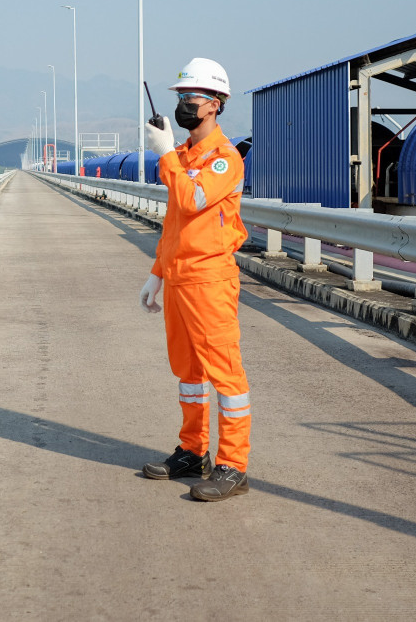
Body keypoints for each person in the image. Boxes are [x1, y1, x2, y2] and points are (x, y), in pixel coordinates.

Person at [139, 57, 251, 501]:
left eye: (193, 97)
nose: (185, 104)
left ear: (216, 104)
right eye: (181, 97)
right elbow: (174, 225)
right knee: (187, 373)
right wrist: (157, 274)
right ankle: (192, 450)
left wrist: (164, 151)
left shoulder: (223, 159)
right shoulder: (185, 156)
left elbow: (190, 201)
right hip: (181, 278)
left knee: (225, 375)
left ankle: (233, 466)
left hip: (210, 280)